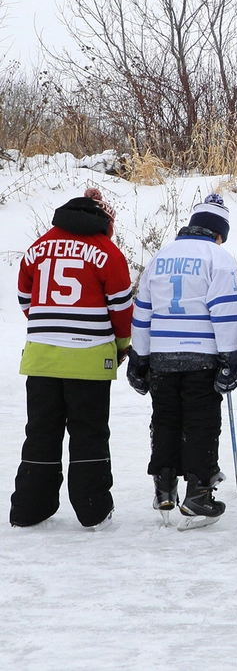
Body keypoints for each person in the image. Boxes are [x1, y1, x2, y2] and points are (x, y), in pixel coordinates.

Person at [10, 188, 132, 530]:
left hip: (41, 357)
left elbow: (23, 296)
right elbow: (121, 308)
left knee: (41, 432)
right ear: (105, 221)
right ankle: (93, 510)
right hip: (89, 359)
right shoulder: (107, 252)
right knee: (89, 433)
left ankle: (29, 509)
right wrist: (122, 344)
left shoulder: (38, 248)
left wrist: (47, 328)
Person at [127, 194, 237, 529]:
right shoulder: (218, 257)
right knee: (201, 421)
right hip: (201, 355)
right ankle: (198, 493)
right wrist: (230, 356)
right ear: (218, 232)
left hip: (162, 356)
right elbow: (224, 311)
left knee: (165, 419)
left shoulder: (161, 257)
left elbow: (143, 312)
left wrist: (140, 356)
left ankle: (164, 487)